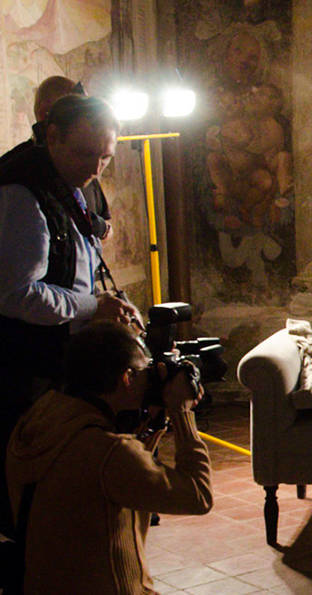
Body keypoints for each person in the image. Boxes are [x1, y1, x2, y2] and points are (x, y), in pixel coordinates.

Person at [0, 94, 138, 537]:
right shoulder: (22, 194)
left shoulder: (65, 181)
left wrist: (103, 300)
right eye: (84, 154)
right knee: (33, 501)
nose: (95, 169)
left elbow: (71, 264)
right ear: (52, 136)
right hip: (27, 368)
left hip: (55, 356)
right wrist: (91, 306)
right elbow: (16, 295)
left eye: (105, 157)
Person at [5, 321, 213, 593]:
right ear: (127, 378)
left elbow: (120, 479)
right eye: (145, 370)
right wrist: (182, 413)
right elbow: (198, 496)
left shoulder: (39, 421)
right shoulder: (109, 452)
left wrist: (153, 420)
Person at [0, 76, 112, 239]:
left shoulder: (87, 167)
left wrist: (99, 227)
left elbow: (106, 227)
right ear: (44, 113)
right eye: (75, 112)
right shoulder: (16, 171)